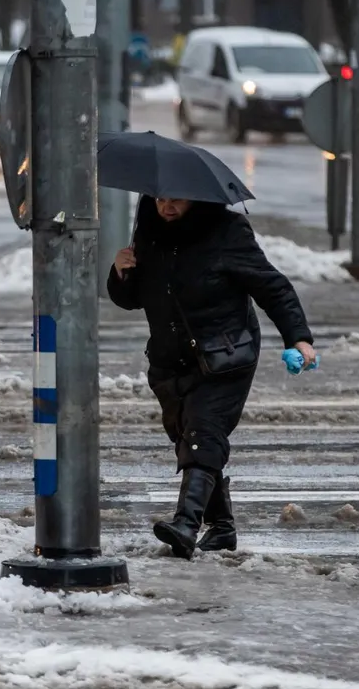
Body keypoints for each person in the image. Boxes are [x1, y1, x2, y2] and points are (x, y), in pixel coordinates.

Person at [108, 196, 316, 559]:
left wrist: (298, 337)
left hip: (225, 356)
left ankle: (186, 524)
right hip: (170, 361)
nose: (166, 207)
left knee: (203, 432)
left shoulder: (226, 232)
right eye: (159, 199)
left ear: (198, 199)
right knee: (189, 438)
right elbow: (133, 298)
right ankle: (221, 528)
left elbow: (272, 287)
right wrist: (121, 271)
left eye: (177, 200)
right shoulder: (149, 234)